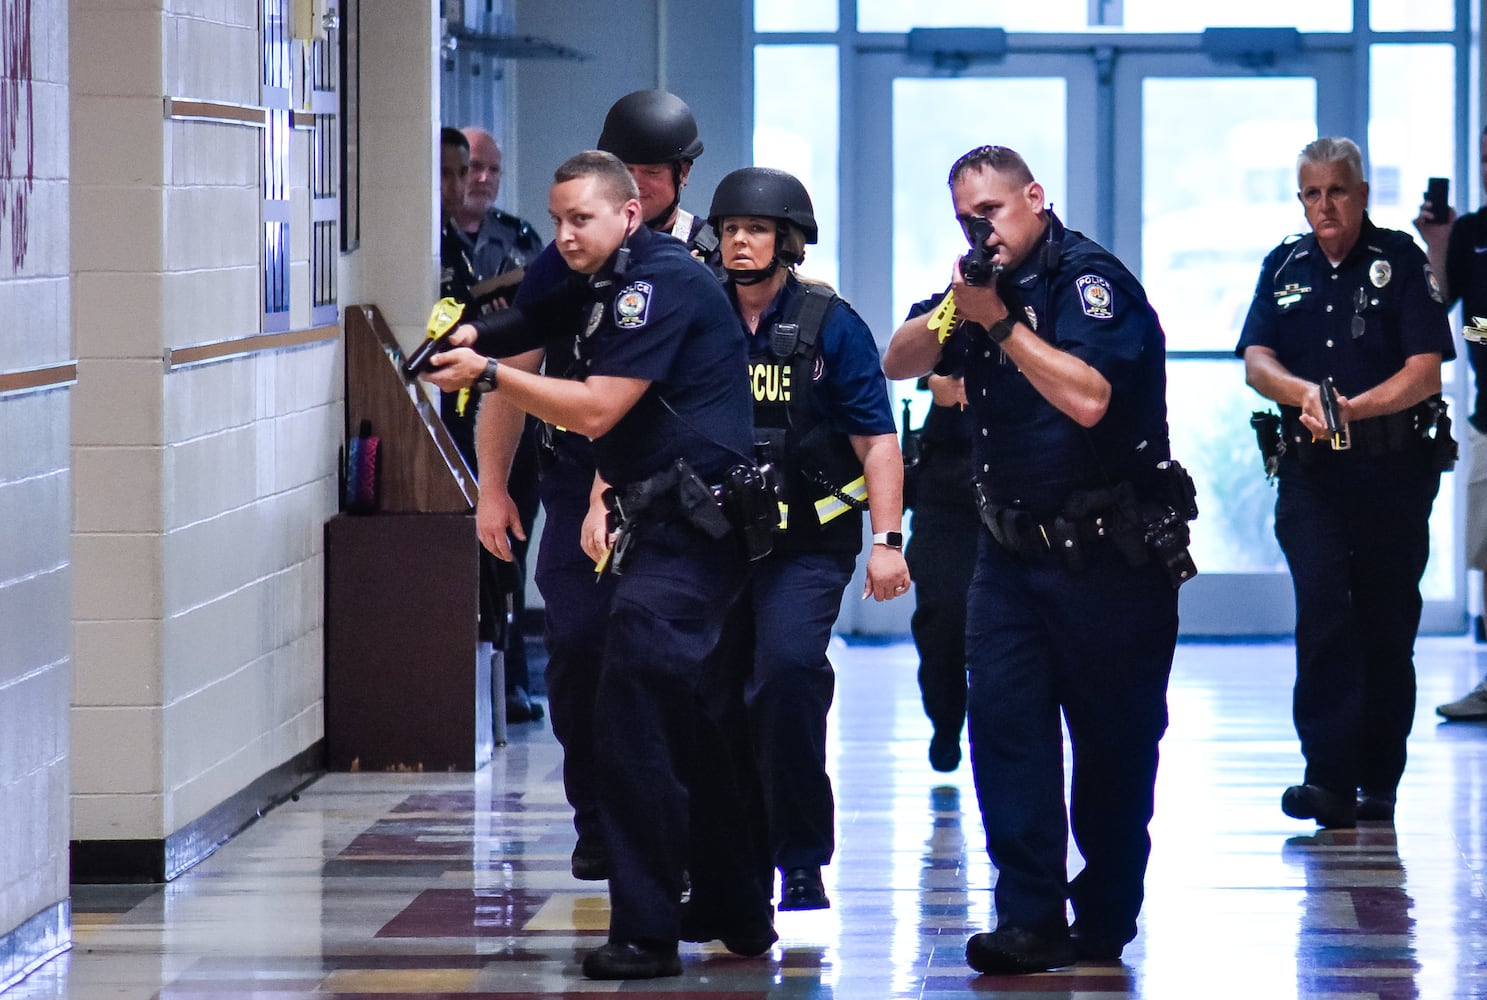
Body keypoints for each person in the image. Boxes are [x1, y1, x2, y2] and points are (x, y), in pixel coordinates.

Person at [421, 151, 773, 980]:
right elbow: (536, 316)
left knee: (633, 715)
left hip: (695, 528)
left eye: (581, 219)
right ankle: (736, 903)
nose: (564, 234)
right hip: (652, 519)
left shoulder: (663, 283)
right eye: (557, 219)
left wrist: (488, 374)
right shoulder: (598, 271)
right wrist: (473, 334)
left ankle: (646, 930)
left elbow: (599, 407)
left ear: (629, 213)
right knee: (690, 718)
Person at [882, 144, 1189, 974]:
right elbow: (897, 360)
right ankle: (1026, 918)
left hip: (1110, 560)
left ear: (1034, 199)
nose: (980, 229)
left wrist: (1001, 327)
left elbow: (1089, 398)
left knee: (1114, 752)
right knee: (1007, 735)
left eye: (991, 211)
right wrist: (957, 308)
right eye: (964, 219)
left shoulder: (1089, 281)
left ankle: (1105, 912)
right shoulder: (975, 291)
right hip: (1009, 558)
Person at [463, 90, 720, 885]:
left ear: (679, 177)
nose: (637, 188)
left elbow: (637, 402)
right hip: (575, 478)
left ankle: (680, 836)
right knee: (575, 654)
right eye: (625, 172)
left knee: (669, 671)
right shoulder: (567, 255)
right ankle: (599, 820)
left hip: (674, 491)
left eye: (651, 174)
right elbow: (517, 375)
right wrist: (494, 488)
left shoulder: (708, 260)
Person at [704, 166, 910, 912]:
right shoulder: (697, 314)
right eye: (729, 229)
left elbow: (877, 443)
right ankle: (724, 859)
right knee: (712, 696)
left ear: (787, 241)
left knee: (787, 677)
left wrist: (887, 539)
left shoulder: (830, 325)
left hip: (806, 545)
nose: (739, 242)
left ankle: (798, 856)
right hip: (712, 543)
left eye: (755, 229)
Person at [1237, 137, 1455, 827]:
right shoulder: (1284, 264)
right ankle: (1326, 778)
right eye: (1310, 193)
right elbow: (1254, 359)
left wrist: (1354, 411)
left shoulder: (1398, 259)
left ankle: (1377, 776)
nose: (1322, 205)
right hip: (1312, 476)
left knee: (1385, 626)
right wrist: (1302, 393)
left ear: (1360, 194)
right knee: (1324, 615)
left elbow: (1426, 369)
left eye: (1335, 191)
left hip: (1392, 472)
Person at [457, 125, 547, 725]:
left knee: (512, 550)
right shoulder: (426, 240)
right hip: (449, 419)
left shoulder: (519, 240)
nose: (482, 179)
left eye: (492, 168)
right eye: (471, 169)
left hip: (516, 414)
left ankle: (511, 676)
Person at [1414, 126, 1487, 722]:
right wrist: (1437, 243)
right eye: (1485, 158)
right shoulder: (1473, 233)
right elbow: (1450, 313)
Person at [903, 373, 978, 772]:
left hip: (1019, 477)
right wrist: (935, 380)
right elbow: (904, 360)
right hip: (946, 491)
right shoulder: (946, 310)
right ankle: (946, 724)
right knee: (942, 627)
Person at [457, 127, 545, 285]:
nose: (485, 178)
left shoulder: (521, 237)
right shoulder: (429, 237)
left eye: (494, 170)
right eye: (475, 166)